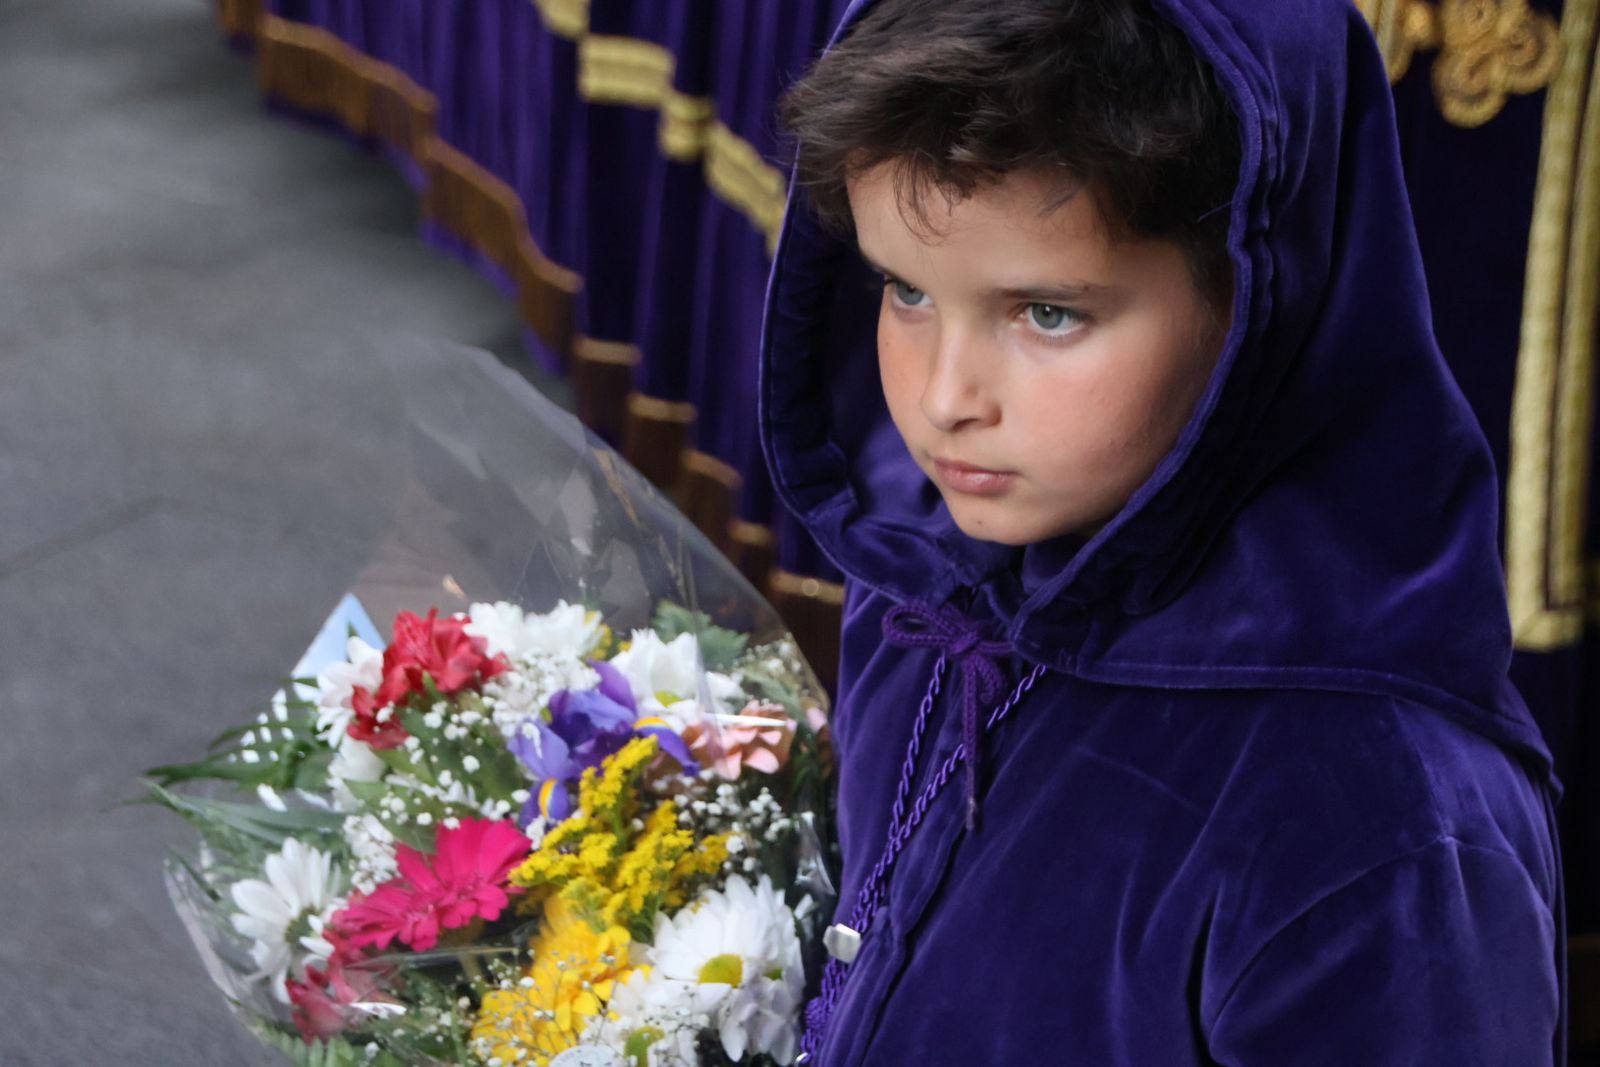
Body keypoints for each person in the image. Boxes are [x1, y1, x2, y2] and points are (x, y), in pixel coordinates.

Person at [758, 0, 1566, 1063]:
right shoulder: (926, 582)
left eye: (1047, 313)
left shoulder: (1379, 824)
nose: (944, 397)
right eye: (905, 289)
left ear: (1259, 292)